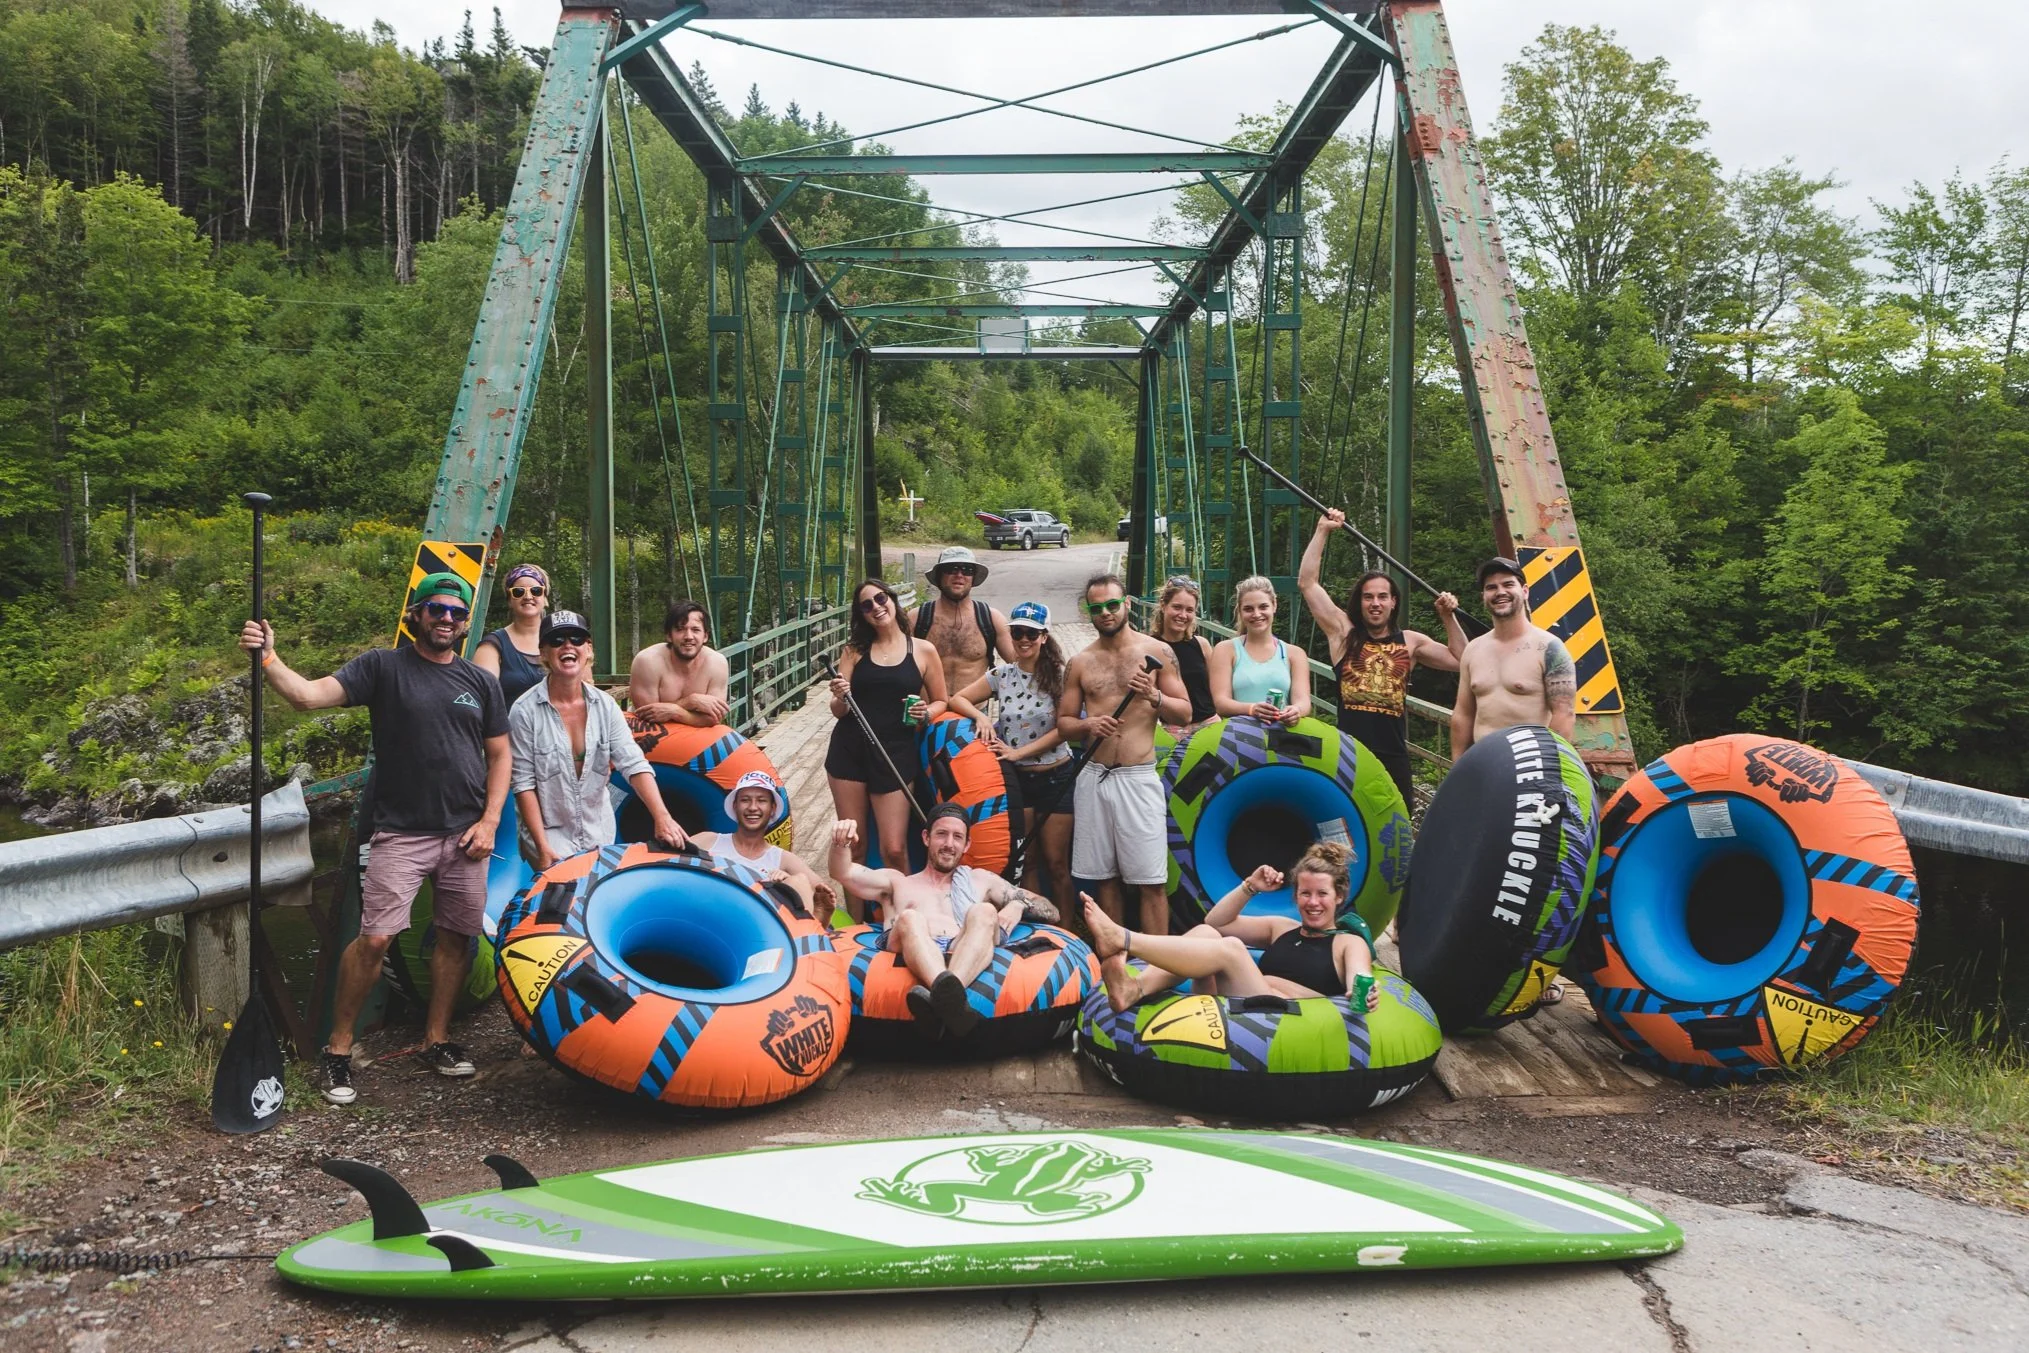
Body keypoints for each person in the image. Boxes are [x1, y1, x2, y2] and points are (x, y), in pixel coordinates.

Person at [239, 572, 509, 1106]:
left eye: (456, 613)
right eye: (437, 610)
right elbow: (308, 698)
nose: (447, 620)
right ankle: (338, 1051)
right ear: (416, 614)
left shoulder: (480, 682)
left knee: (456, 936)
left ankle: (437, 1040)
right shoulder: (382, 667)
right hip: (400, 832)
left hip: (465, 833)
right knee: (377, 938)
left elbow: (500, 754)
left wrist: (491, 821)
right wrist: (268, 659)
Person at [1453, 556, 1578, 1006]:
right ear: (1483, 596)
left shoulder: (1549, 648)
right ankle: (1474, 966)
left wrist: (1553, 781)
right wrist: (1458, 773)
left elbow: (1564, 716)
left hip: (1533, 785)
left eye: (1508, 584)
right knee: (1480, 878)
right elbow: (1464, 714)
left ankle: (1538, 977)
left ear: (1525, 591)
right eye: (1491, 587)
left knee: (1535, 885)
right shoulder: (1474, 650)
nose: (1499, 592)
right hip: (1485, 781)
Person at [828, 808, 1058, 1038]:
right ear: (926, 837)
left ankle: (943, 1003)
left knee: (984, 910)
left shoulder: (981, 880)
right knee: (910, 917)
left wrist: (1018, 905)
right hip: (910, 944)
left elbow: (1050, 910)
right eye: (941, 834)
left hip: (961, 946)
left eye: (957, 837)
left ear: (967, 845)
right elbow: (843, 872)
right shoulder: (896, 882)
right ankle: (952, 1001)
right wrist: (840, 842)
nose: (949, 844)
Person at [1082, 842, 1379, 1015]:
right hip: (1237, 1007)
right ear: (1295, 896)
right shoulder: (1282, 928)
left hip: (1285, 1019)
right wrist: (1250, 886)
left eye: (1322, 894)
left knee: (1234, 950)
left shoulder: (1347, 943)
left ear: (1339, 896)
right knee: (1207, 935)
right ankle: (1134, 989)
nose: (1313, 902)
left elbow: (1360, 976)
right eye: (1305, 893)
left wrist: (1363, 991)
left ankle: (1122, 937)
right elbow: (1216, 923)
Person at [1298, 509, 1466, 809]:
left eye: (1382, 597)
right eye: (1368, 597)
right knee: (1345, 824)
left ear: (1393, 602)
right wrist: (1323, 530)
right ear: (1359, 602)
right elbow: (1308, 584)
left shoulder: (1411, 642)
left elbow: (1462, 659)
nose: (1375, 603)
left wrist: (1448, 617)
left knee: (1398, 825)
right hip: (1349, 752)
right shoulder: (1343, 634)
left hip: (1394, 753)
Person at [1057, 573, 1193, 935]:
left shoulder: (1158, 653)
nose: (1106, 613)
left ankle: (1159, 967)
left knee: (1150, 881)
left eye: (1112, 605)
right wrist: (1088, 726)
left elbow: (1184, 712)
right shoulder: (1080, 662)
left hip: (1137, 776)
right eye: (1097, 607)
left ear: (1127, 604)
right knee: (1105, 880)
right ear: (1089, 612)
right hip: (1095, 777)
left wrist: (1154, 697)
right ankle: (1115, 965)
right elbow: (1064, 723)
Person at [509, 609, 687, 871]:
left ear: (588, 649)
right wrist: (542, 847)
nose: (568, 646)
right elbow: (523, 784)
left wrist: (662, 817)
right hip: (550, 837)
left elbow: (633, 763)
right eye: (557, 640)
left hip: (599, 832)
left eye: (577, 639)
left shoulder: (606, 706)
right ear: (543, 653)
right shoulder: (524, 711)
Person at [947, 600, 1074, 912]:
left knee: (1057, 862)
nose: (1024, 640)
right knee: (1026, 859)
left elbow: (1064, 729)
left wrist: (1018, 753)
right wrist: (982, 718)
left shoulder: (1061, 676)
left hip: (1055, 776)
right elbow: (957, 698)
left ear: (1044, 636)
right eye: (1017, 633)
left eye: (1031, 633)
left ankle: (1068, 932)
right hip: (1018, 780)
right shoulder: (1001, 675)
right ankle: (1035, 928)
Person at [825, 578, 950, 876]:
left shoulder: (923, 650)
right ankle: (856, 920)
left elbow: (942, 700)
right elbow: (838, 710)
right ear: (862, 615)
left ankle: (901, 915)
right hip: (849, 751)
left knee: (894, 849)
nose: (876, 608)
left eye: (881, 599)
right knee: (854, 845)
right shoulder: (854, 650)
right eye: (866, 606)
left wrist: (926, 713)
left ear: (893, 600)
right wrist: (840, 696)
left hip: (896, 752)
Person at [688, 770, 838, 916]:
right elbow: (667, 856)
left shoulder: (782, 858)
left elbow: (824, 892)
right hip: (708, 908)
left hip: (756, 921)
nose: (753, 807)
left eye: (761, 800)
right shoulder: (708, 840)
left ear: (772, 809)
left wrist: (787, 882)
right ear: (735, 806)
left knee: (799, 881)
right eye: (745, 800)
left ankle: (814, 926)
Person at [1208, 575, 1311, 726]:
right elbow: (1220, 703)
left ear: (1274, 605)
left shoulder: (1295, 654)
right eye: (1249, 609)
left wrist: (1296, 710)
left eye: (1263, 607)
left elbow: (1303, 701)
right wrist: (1251, 709)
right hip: (1238, 739)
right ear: (1240, 612)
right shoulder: (1225, 650)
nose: (1256, 614)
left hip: (1281, 739)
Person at [912, 546, 1013, 694]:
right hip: (927, 712)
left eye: (967, 570)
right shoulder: (917, 618)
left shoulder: (991, 619)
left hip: (974, 711)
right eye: (951, 569)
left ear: (973, 578)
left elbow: (1019, 662)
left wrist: (1037, 638)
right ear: (939, 575)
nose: (959, 575)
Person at [629, 600, 731, 728]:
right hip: (653, 738)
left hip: (699, 738)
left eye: (695, 630)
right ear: (669, 636)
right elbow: (649, 717)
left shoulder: (717, 663)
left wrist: (675, 711)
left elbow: (714, 719)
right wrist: (691, 702)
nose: (688, 636)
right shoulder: (647, 661)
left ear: (705, 636)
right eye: (680, 629)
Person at [472, 563, 550, 708]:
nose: (528, 596)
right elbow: (482, 697)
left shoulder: (563, 640)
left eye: (536, 591)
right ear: (509, 600)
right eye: (519, 592)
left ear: (545, 598)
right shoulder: (492, 646)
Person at [1151, 575, 1216, 732]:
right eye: (1177, 607)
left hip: (1210, 725)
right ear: (1163, 605)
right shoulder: (1150, 647)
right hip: (1172, 730)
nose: (1183, 615)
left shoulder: (1202, 645)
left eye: (1189, 610)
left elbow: (1217, 690)